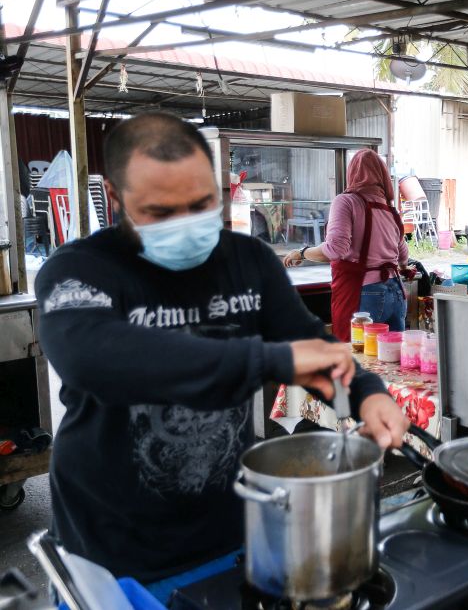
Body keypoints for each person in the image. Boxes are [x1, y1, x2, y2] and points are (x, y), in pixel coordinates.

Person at [34, 112, 410, 588]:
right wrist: (269, 360)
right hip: (110, 554)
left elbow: (311, 342)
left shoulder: (246, 261)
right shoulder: (81, 273)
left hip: (232, 535)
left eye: (201, 203)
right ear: (114, 196)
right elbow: (93, 356)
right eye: (160, 212)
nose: (186, 225)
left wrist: (369, 392)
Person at [283, 149, 409, 341]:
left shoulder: (346, 201)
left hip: (367, 294)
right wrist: (402, 268)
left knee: (358, 361)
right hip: (396, 292)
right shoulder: (389, 208)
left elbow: (335, 250)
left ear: (352, 173)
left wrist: (302, 253)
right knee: (391, 361)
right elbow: (402, 255)